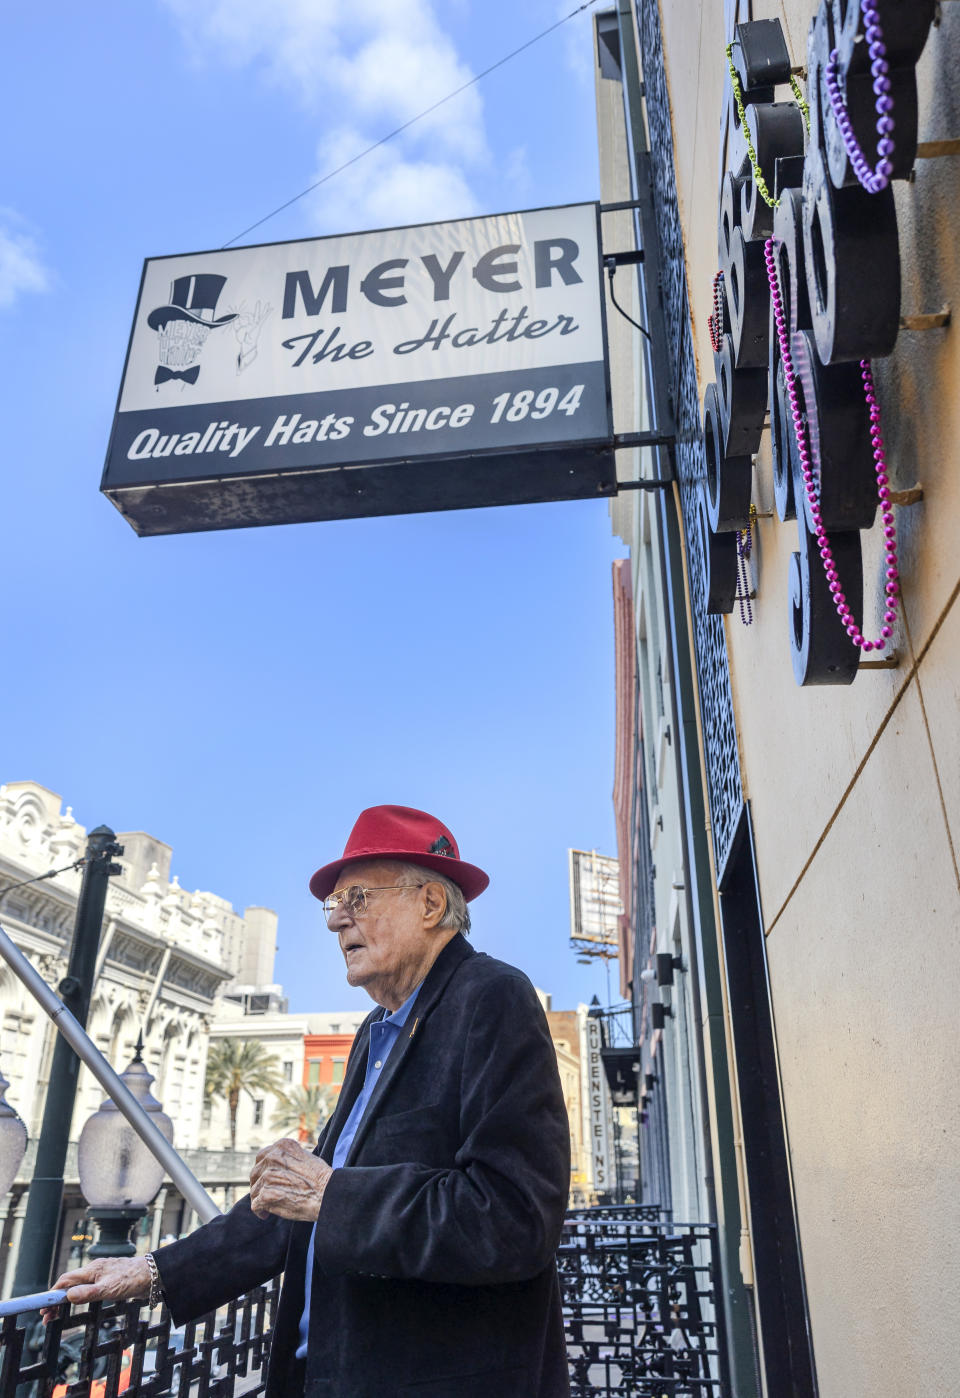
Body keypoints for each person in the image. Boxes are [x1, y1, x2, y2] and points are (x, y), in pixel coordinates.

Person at [48, 806, 572, 1398]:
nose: (335, 922)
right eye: (334, 904)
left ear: (429, 904)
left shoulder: (492, 997)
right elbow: (290, 1215)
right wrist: (152, 1272)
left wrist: (331, 1192)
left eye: (358, 898)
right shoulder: (377, 1031)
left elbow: (514, 1218)